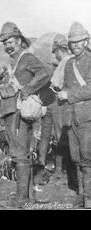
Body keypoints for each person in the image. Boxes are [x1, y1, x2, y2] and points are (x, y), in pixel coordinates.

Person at [0, 22, 50, 208]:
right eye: (4, 43)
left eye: (10, 41)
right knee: (22, 154)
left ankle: (21, 199)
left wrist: (27, 90)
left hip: (18, 112)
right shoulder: (14, 61)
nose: (7, 46)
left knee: (19, 155)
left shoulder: (26, 58)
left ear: (19, 40)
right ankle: (28, 197)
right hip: (12, 111)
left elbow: (44, 73)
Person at [57, 22, 91, 208]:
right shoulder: (69, 63)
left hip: (87, 117)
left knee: (88, 157)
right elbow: (68, 87)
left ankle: (89, 198)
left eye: (80, 41)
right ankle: (80, 194)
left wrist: (68, 95)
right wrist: (61, 92)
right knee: (75, 157)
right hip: (71, 117)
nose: (76, 45)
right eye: (73, 42)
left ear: (86, 41)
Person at [36, 34, 73, 176]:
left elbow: (55, 84)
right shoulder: (70, 61)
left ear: (58, 50)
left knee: (58, 137)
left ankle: (51, 168)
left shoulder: (65, 62)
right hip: (56, 104)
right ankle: (59, 169)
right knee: (57, 137)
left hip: (59, 104)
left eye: (55, 52)